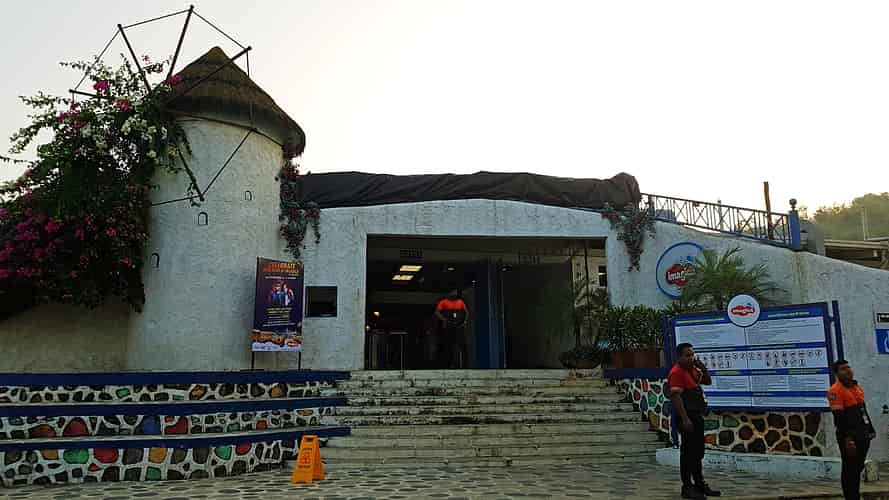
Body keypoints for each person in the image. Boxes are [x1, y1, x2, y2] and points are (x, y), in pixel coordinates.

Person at [669, 343, 720, 499]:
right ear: (679, 357)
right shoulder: (676, 372)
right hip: (687, 416)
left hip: (697, 415)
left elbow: (707, 381)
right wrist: (685, 419)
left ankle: (699, 483)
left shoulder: (692, 370)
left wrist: (703, 368)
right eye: (687, 355)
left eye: (692, 354)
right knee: (688, 453)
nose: (691, 357)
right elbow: (676, 397)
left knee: (698, 452)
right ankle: (687, 487)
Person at [827, 359, 876, 500]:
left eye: (848, 367)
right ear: (836, 374)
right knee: (850, 470)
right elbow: (839, 419)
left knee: (858, 468)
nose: (848, 371)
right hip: (850, 437)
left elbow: (863, 410)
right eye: (843, 369)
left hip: (863, 434)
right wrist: (848, 440)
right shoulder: (835, 391)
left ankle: (855, 495)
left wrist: (870, 429)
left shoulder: (856, 387)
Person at [434, 289, 469, 368]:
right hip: (449, 326)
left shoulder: (460, 302)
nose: (454, 294)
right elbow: (436, 312)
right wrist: (444, 319)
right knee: (449, 345)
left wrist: (464, 322)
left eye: (456, 293)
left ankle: (465, 365)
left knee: (462, 344)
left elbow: (467, 312)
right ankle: (450, 364)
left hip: (459, 326)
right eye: (453, 292)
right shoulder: (443, 302)